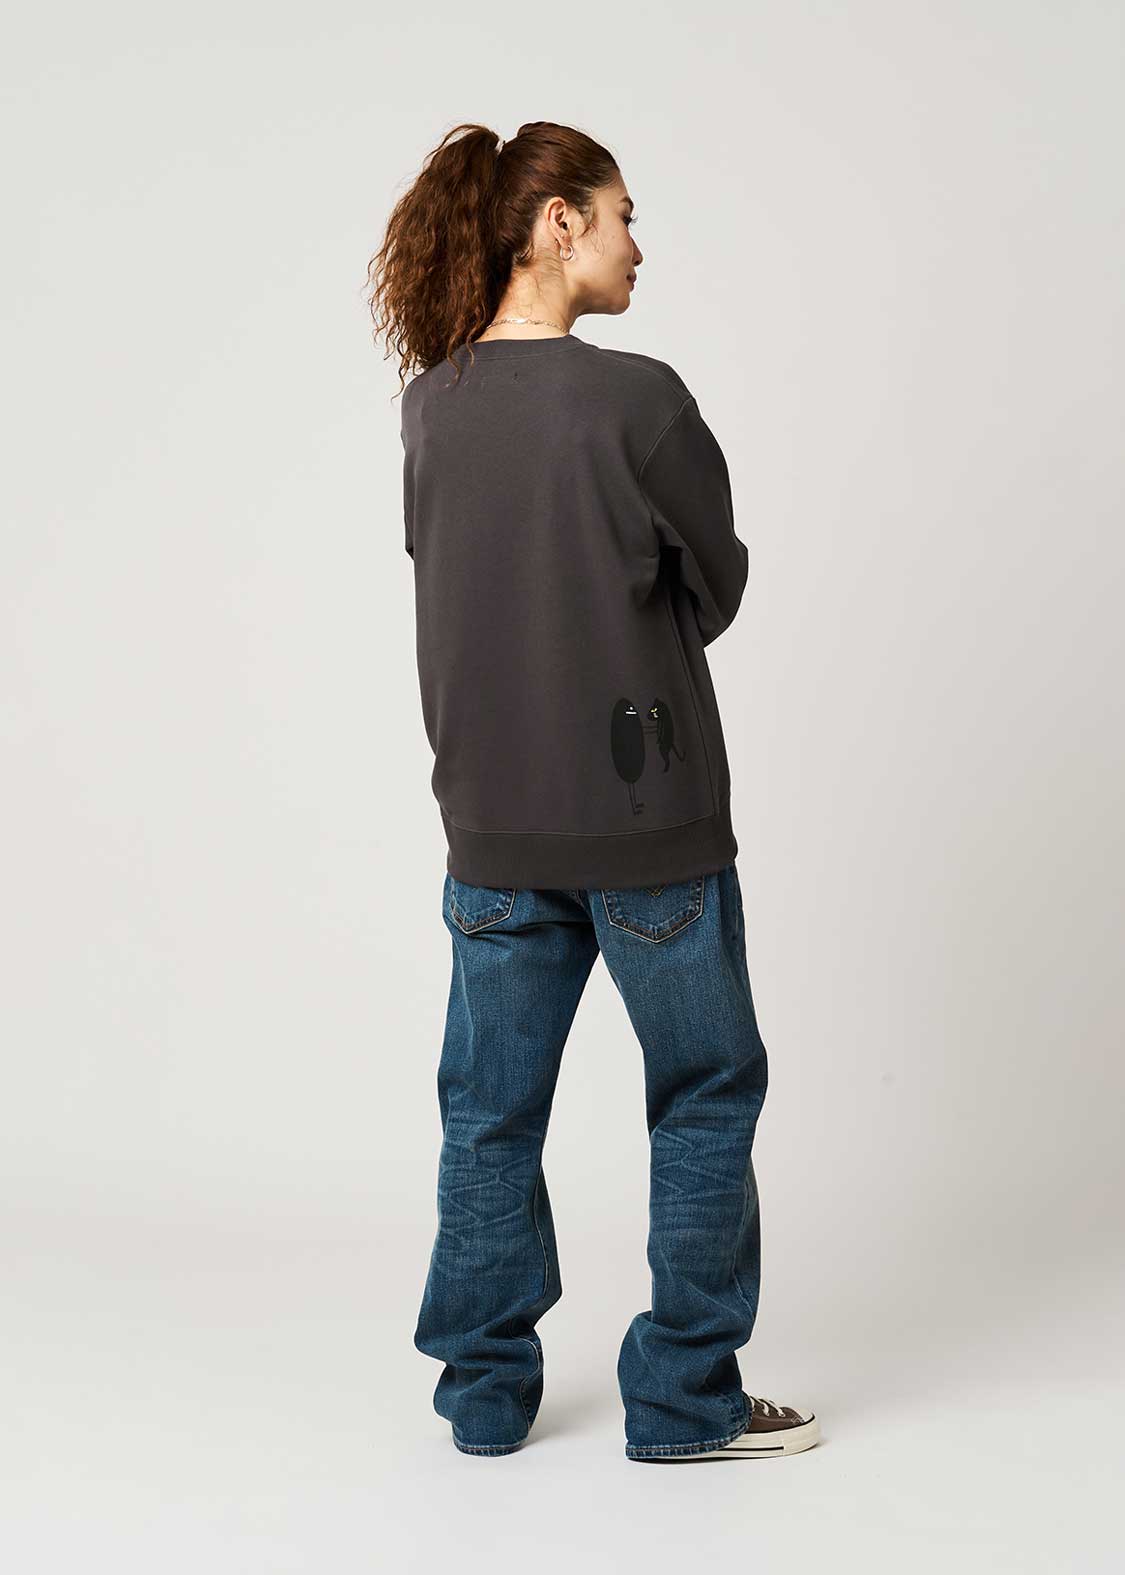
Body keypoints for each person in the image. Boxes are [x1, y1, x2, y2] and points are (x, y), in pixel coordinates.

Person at [366, 120, 820, 1463]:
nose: (638, 244)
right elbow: (717, 581)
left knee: (487, 1113)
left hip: (490, 825)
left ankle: (483, 1398)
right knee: (704, 1091)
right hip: (648, 821)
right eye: (623, 214)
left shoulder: (431, 405)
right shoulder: (638, 400)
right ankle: (683, 1400)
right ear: (558, 222)